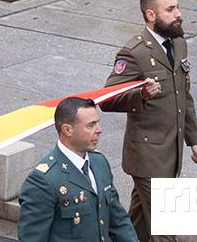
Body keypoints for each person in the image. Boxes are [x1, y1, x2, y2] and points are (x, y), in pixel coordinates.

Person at [101, 0, 197, 242]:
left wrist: (194, 139)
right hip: (147, 156)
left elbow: (183, 95)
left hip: (171, 151)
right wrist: (141, 95)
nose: (178, 14)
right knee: (164, 229)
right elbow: (107, 98)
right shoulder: (134, 52)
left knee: (139, 221)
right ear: (150, 14)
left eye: (178, 7)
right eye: (170, 9)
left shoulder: (179, 43)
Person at [17, 97, 137, 242]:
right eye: (91, 125)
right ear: (67, 130)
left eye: (97, 123)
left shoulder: (99, 162)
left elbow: (117, 219)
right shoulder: (43, 181)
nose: (99, 130)